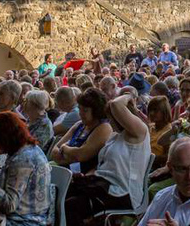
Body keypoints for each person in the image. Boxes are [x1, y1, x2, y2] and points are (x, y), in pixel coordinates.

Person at [64, 92, 151, 223]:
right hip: (102, 185)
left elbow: (115, 104)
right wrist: (87, 176)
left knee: (70, 206)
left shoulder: (139, 133)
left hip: (122, 192)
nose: (109, 120)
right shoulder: (115, 136)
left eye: (111, 117)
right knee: (62, 192)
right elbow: (102, 165)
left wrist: (129, 96)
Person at [51, 88, 112, 172]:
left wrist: (64, 147)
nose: (80, 113)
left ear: (96, 111)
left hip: (84, 177)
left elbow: (81, 155)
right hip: (65, 170)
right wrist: (68, 157)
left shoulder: (104, 127)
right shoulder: (79, 124)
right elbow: (54, 150)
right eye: (80, 109)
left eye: (85, 110)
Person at [148, 96, 173, 167]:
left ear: (164, 111)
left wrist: (149, 159)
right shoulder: (150, 127)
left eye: (156, 110)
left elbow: (168, 156)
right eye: (150, 110)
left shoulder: (170, 130)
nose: (152, 113)